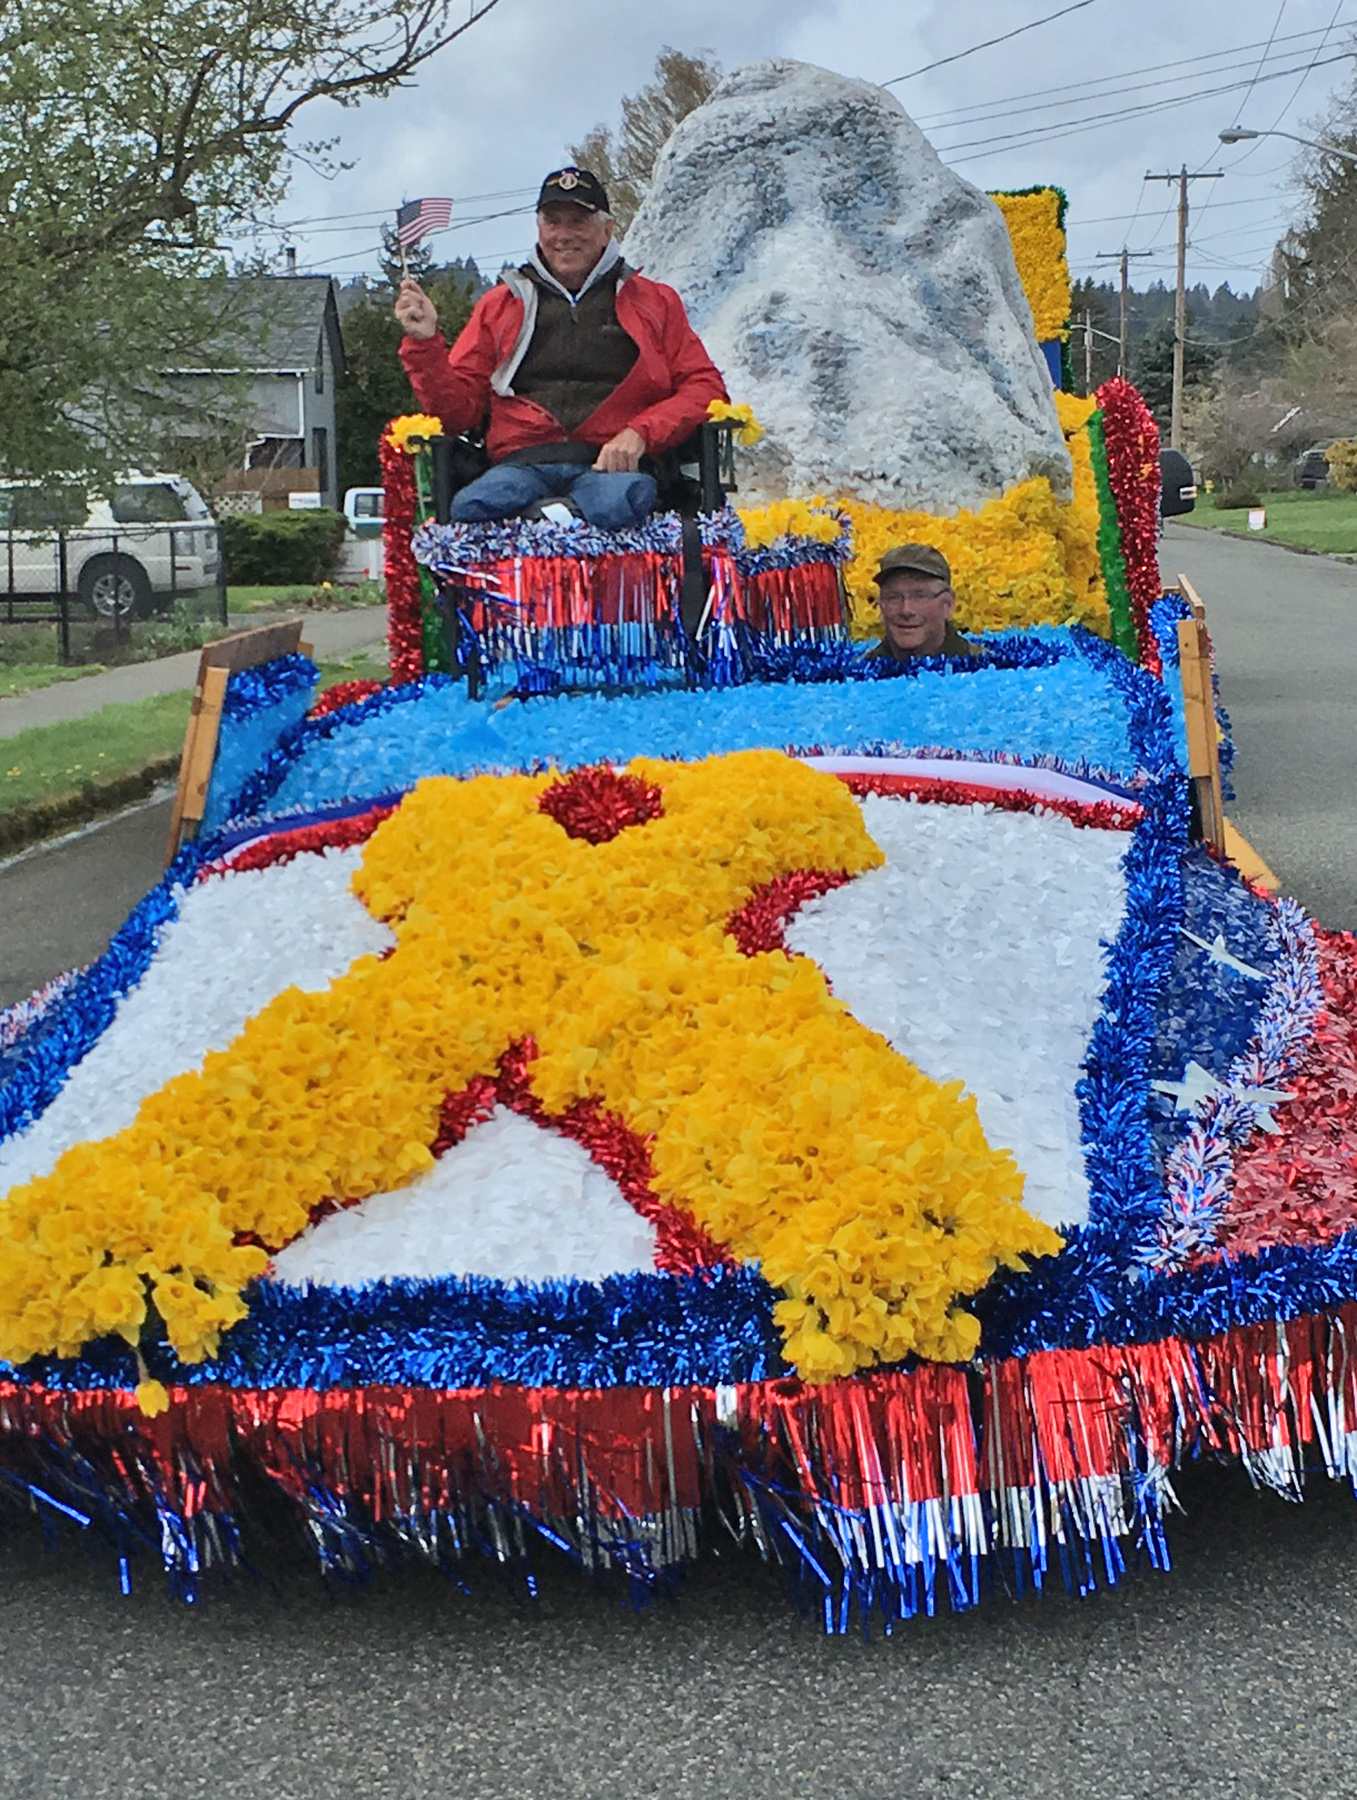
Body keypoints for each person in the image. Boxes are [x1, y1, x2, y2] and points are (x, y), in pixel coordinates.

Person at [394, 166, 728, 531]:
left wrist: (641, 433)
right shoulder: (498, 305)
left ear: (607, 230)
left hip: (611, 468)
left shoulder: (657, 302)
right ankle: (558, 527)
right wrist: (425, 343)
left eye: (578, 221)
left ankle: (560, 530)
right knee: (473, 507)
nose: (564, 235)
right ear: (539, 229)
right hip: (520, 465)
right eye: (553, 222)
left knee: (622, 504)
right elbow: (458, 414)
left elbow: (705, 390)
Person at [867, 544, 981, 660]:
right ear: (881, 606)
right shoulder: (858, 672)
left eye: (919, 597)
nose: (906, 610)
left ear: (948, 605)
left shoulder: (984, 665)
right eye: (893, 597)